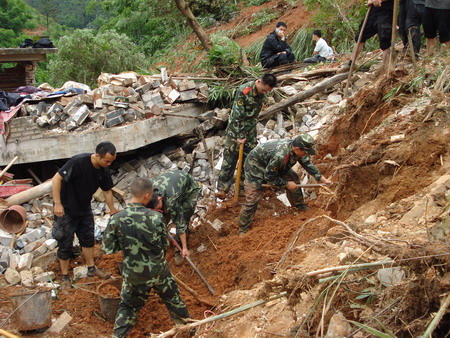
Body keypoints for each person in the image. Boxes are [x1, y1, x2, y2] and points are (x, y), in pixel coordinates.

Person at [103, 178, 190, 338]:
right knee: (174, 302)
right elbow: (164, 246)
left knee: (128, 307)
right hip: (158, 272)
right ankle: (189, 331)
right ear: (147, 195)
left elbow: (109, 249)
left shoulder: (116, 219)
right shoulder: (156, 218)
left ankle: (118, 336)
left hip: (133, 275)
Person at [52, 141, 117, 289]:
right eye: (107, 161)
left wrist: (112, 210)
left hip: (84, 208)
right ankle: (64, 277)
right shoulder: (78, 162)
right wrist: (57, 203)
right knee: (65, 242)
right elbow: (56, 179)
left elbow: (107, 190)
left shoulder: (103, 169)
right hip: (66, 209)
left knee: (88, 238)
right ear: (97, 156)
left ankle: (91, 269)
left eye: (111, 161)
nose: (109, 164)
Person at [238, 134, 332, 234]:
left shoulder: (297, 149)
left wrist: (321, 178)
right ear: (297, 149)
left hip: (273, 165)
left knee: (293, 177)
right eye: (305, 152)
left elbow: (307, 163)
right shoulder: (280, 155)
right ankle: (243, 229)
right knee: (253, 196)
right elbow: (269, 176)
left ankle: (299, 206)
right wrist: (286, 184)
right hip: (255, 166)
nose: (306, 154)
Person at [216, 73, 277, 200]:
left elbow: (254, 114)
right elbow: (238, 115)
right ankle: (223, 188)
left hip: (250, 130)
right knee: (230, 158)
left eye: (267, 91)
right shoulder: (244, 91)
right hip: (236, 130)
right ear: (259, 82)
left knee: (249, 158)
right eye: (264, 89)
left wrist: (248, 133)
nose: (264, 92)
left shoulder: (262, 93)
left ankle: (244, 187)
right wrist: (240, 135)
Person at [146, 170, 201, 266]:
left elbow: (180, 223)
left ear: (159, 198)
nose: (156, 211)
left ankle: (179, 248)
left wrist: (184, 248)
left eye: (157, 208)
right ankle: (161, 244)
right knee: (160, 218)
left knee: (184, 214)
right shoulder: (147, 193)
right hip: (172, 185)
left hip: (189, 190)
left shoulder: (172, 200)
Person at [352, 0, 394, 69]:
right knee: (360, 36)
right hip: (372, 11)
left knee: (385, 39)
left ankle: (385, 68)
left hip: (385, 12)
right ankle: (351, 63)